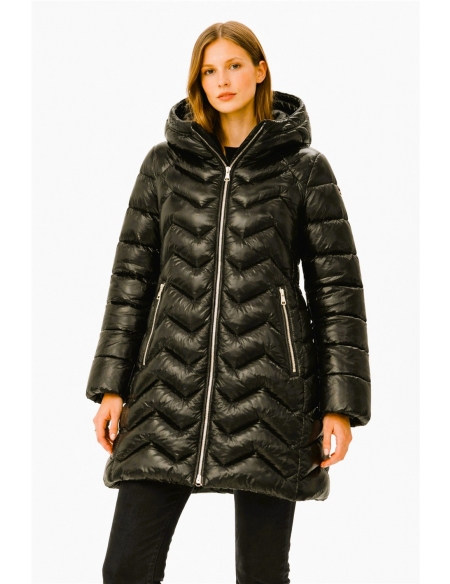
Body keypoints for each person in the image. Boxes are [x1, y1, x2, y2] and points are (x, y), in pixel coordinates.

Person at [87, 21, 371, 584]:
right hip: (166, 388)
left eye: (234, 65)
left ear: (260, 71)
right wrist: (111, 386)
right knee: (125, 568)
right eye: (209, 70)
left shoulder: (303, 169)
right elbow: (131, 280)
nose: (222, 80)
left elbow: (338, 292)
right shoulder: (164, 165)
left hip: (272, 393)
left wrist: (339, 405)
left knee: (261, 573)